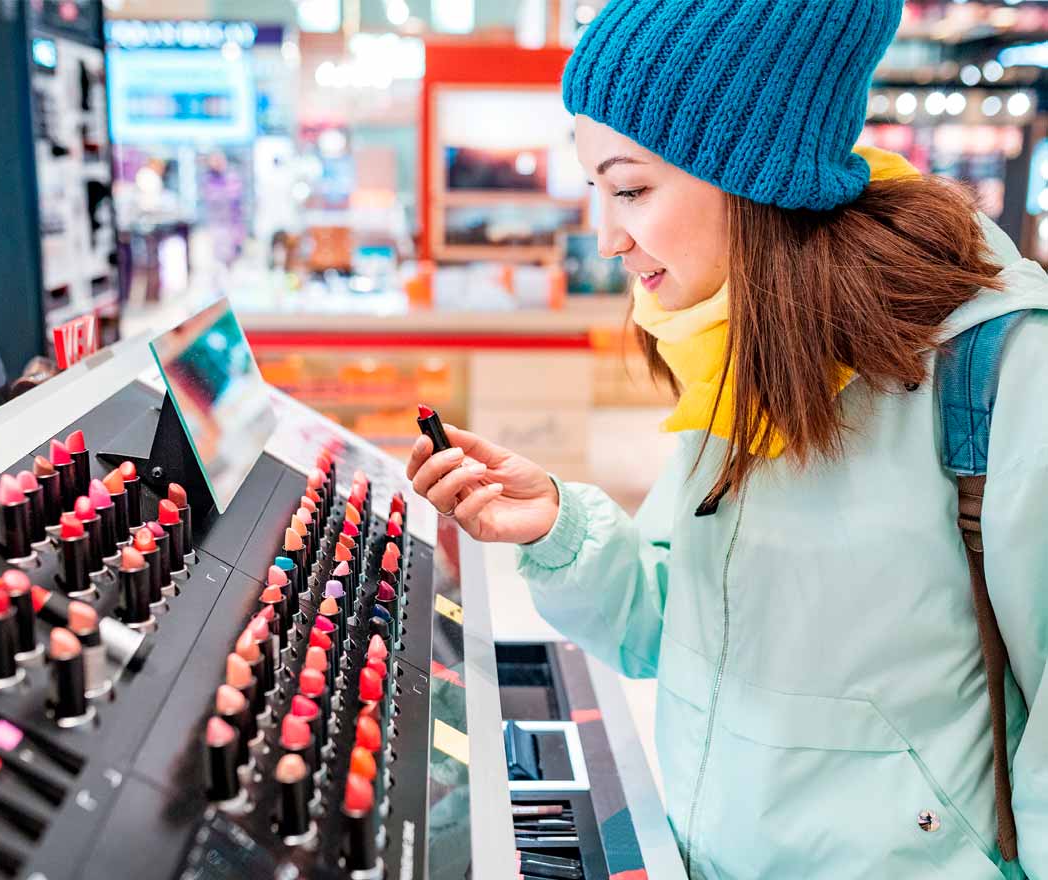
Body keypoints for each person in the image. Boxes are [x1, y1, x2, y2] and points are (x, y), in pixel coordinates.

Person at [407, 1, 1048, 877]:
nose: (608, 236)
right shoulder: (739, 349)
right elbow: (676, 629)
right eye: (597, 188)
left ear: (759, 170)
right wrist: (558, 527)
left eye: (631, 187)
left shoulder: (999, 369)